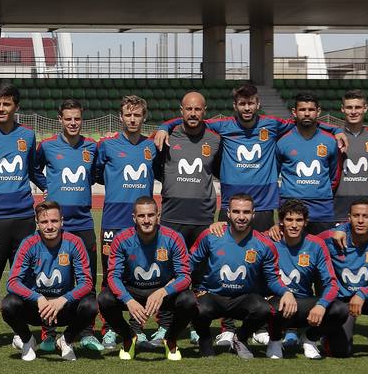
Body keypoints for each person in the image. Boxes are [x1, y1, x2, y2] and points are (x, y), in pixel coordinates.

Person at [155, 84, 344, 233]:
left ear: (258, 104)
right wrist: (165, 126)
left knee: (262, 254)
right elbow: (192, 118)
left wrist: (336, 129)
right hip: (231, 204)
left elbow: (305, 121)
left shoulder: (272, 124)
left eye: (250, 103)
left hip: (263, 205)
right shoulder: (223, 126)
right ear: (235, 106)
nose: (247, 108)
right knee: (228, 251)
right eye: (242, 104)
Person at [0, 83, 42, 353]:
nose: (1, 108)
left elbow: (34, 171)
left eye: (7, 104)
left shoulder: (28, 135)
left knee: (22, 278)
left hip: (24, 218)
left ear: (16, 107)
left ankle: (19, 331)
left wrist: (54, 186)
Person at [100, 196, 195, 361]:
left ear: (158, 216)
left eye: (150, 215)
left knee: (189, 300)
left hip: (163, 291)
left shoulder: (173, 238)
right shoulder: (121, 239)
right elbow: (113, 276)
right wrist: (128, 300)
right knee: (104, 299)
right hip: (133, 290)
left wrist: (164, 291)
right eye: (141, 216)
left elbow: (185, 276)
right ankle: (129, 337)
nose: (146, 220)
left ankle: (170, 339)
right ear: (134, 218)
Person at [1, 200, 96, 362]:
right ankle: (27, 340)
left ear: (62, 221)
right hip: (37, 308)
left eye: (54, 221)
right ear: (37, 224)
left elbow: (86, 282)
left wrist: (63, 299)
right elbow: (12, 282)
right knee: (8, 305)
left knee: (91, 305)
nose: (50, 226)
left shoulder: (74, 242)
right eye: (44, 222)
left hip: (63, 307)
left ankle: (66, 340)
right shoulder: (29, 244)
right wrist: (37, 298)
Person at [186, 193, 276, 359]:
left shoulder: (263, 242)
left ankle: (240, 338)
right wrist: (179, 285)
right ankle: (205, 340)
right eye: (236, 212)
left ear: (253, 214)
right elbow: (189, 263)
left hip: (244, 298)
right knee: (193, 304)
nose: (241, 217)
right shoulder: (211, 235)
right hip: (213, 295)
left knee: (264, 309)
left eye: (246, 212)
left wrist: (286, 293)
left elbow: (273, 277)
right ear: (228, 213)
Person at [265, 200, 346, 360]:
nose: (294, 225)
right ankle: (274, 340)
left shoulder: (316, 245)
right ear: (281, 221)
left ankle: (310, 338)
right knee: (273, 306)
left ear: (305, 222)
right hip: (278, 303)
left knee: (340, 309)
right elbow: (243, 232)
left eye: (299, 220)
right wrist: (219, 226)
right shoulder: (268, 242)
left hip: (305, 305)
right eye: (289, 220)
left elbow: (331, 283)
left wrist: (321, 306)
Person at [321, 198, 368, 360]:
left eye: (366, 216)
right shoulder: (331, 237)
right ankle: (326, 335)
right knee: (341, 352)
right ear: (348, 218)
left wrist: (363, 293)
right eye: (356, 216)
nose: (361, 220)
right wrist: (275, 229)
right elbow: (304, 239)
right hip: (342, 302)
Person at [30, 99, 100, 275]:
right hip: (56, 222)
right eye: (68, 119)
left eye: (77, 118)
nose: (73, 123)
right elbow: (34, 169)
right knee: (58, 276)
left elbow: (94, 174)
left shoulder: (91, 146)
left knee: (88, 276)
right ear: (60, 119)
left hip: (83, 221)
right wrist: (47, 186)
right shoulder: (47, 145)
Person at [96, 95, 157, 277]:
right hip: (114, 216)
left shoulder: (153, 146)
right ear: (121, 117)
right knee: (111, 272)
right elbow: (97, 174)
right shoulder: (106, 144)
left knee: (142, 271)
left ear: (144, 117)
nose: (132, 119)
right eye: (128, 115)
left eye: (137, 115)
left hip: (143, 218)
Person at [155, 91, 222, 249]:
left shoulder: (215, 140)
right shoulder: (165, 137)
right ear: (181, 110)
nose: (193, 113)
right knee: (169, 269)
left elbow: (219, 171)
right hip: (171, 217)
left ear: (204, 111)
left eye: (197, 109)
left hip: (203, 219)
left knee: (200, 271)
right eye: (188, 109)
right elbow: (155, 168)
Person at [275, 93, 343, 234]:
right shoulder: (282, 141)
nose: (306, 114)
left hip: (321, 207)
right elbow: (274, 174)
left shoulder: (330, 141)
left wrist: (320, 191)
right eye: (302, 110)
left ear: (318, 111)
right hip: (290, 206)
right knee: (291, 251)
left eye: (311, 110)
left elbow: (334, 176)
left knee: (324, 250)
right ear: (294, 112)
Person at [333, 90, 368, 221]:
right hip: (341, 201)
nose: (353, 111)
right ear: (342, 109)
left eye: (357, 107)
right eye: (349, 107)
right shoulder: (332, 138)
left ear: (365, 108)